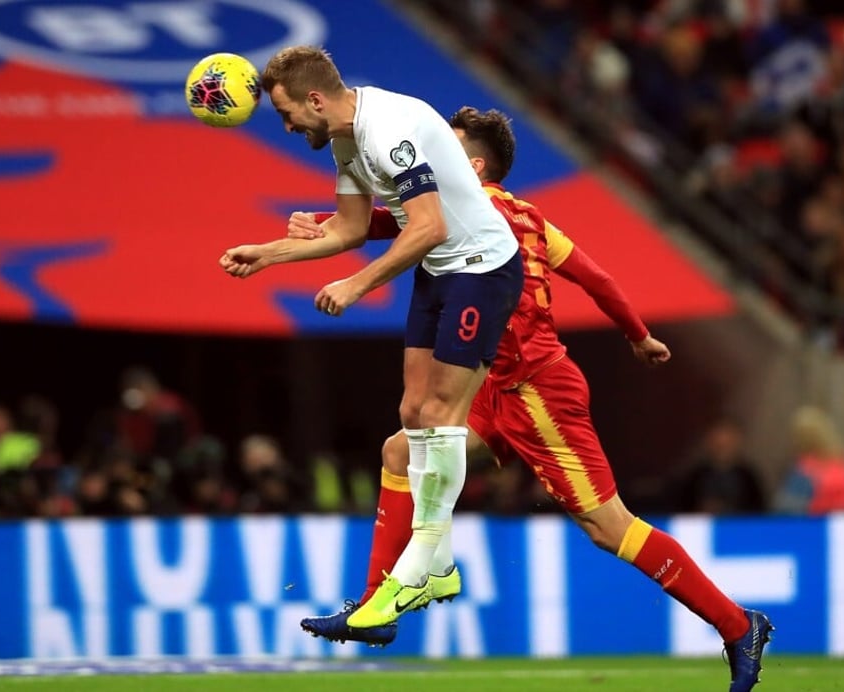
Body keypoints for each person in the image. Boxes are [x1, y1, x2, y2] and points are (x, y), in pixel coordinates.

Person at [294, 106, 772, 692]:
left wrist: (325, 224)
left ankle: (736, 623)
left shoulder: (466, 208)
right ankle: (375, 607)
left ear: (471, 164)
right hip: (492, 386)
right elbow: (598, 279)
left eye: (447, 143)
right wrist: (638, 335)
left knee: (609, 527)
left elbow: (395, 225)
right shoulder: (531, 217)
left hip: (536, 389)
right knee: (403, 451)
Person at [220, 47, 524, 628]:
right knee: (413, 410)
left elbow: (430, 224)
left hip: (482, 268)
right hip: (441, 269)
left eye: (287, 114)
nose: (286, 127)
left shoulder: (386, 132)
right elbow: (351, 228)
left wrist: (358, 286)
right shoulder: (345, 140)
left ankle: (423, 566)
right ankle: (439, 563)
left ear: (315, 99)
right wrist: (269, 253)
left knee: (440, 412)